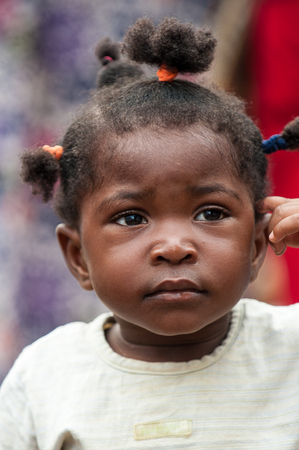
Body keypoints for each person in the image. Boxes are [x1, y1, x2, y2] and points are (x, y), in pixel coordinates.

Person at [1, 17, 299, 449]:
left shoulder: (291, 345)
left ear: (257, 244)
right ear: (78, 256)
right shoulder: (46, 376)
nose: (175, 247)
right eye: (131, 218)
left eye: (211, 213)